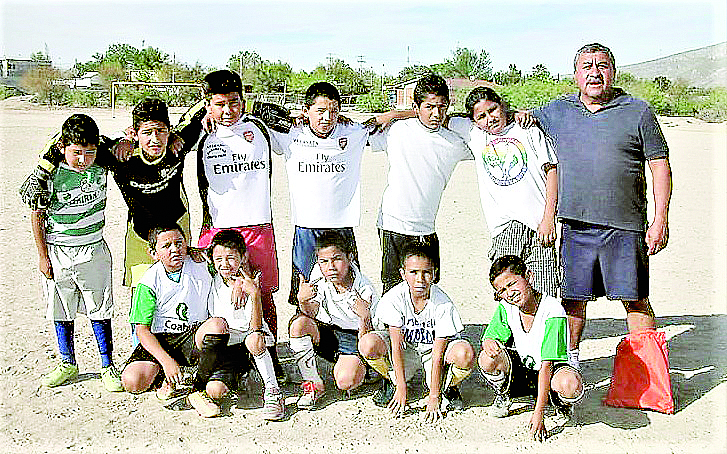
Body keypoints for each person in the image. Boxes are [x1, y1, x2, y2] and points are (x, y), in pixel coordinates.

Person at [531, 43, 672, 370]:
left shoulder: (638, 111)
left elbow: (660, 165)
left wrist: (660, 218)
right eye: (587, 66)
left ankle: (646, 372)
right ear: (575, 74)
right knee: (573, 301)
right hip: (575, 227)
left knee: (636, 300)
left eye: (602, 65)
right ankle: (570, 364)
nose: (595, 73)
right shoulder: (557, 111)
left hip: (625, 226)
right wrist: (403, 114)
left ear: (613, 71)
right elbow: (504, 117)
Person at [181, 69, 283, 376]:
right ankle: (212, 358)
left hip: (258, 227)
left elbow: (299, 125)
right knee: (210, 293)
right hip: (216, 229)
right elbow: (170, 138)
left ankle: (271, 357)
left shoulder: (260, 126)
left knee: (261, 294)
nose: (228, 111)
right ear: (207, 103)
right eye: (220, 104)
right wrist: (199, 113)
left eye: (235, 102)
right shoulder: (200, 131)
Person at [268, 82, 401, 305]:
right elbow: (253, 113)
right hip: (306, 229)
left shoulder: (353, 132)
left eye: (333, 111)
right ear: (306, 110)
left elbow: (391, 118)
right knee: (305, 292)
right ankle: (306, 334)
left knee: (348, 291)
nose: (327, 118)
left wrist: (400, 112)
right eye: (320, 111)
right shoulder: (291, 133)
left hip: (341, 227)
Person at [24, 114, 123, 392]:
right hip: (58, 249)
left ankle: (107, 366)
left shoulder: (103, 164)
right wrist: (42, 256)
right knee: (61, 308)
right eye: (76, 152)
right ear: (63, 147)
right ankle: (67, 362)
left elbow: (121, 148)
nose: (83, 159)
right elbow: (37, 215)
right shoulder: (49, 172)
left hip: (94, 248)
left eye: (89, 152)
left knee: (100, 308)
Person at [447, 87, 559, 298]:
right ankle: (512, 332)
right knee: (508, 292)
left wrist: (548, 218)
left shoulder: (527, 130)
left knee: (545, 291)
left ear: (502, 105)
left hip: (538, 226)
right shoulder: (474, 135)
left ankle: (545, 331)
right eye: (481, 116)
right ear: (473, 120)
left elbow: (551, 169)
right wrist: (393, 114)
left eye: (493, 109)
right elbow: (436, 116)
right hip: (504, 229)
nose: (489, 118)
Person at [368, 74, 472, 293]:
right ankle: (392, 329)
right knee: (393, 288)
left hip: (426, 228)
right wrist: (396, 115)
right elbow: (355, 133)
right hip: (392, 224)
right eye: (429, 106)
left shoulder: (455, 142)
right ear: (416, 106)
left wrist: (398, 112)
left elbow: (484, 127)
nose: (436, 113)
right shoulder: (396, 130)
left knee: (427, 288)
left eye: (442, 106)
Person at [121, 224, 231, 418]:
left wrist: (238, 284)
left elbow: (230, 268)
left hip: (193, 335)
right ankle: (170, 376)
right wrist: (166, 362)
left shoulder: (203, 262)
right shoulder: (148, 281)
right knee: (132, 382)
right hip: (163, 340)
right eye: (166, 246)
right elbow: (142, 330)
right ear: (153, 253)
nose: (175, 249)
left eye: (179, 243)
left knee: (217, 325)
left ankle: (197, 388)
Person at [359, 244, 474, 423]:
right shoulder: (394, 298)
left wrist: (434, 396)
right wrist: (401, 387)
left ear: (434, 274)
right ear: (402, 273)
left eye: (426, 272)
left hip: (433, 352)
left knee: (464, 353)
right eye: (413, 272)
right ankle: (392, 380)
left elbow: (437, 354)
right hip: (407, 349)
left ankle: (448, 386)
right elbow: (396, 345)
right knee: (367, 344)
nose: (420, 279)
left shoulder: (442, 303)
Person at [479, 255, 583, 442]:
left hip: (552, 370)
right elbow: (492, 335)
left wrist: (539, 414)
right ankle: (505, 392)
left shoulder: (552, 309)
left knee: (570, 384)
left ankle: (561, 403)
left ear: (529, 276)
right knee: (486, 358)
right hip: (526, 368)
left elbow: (547, 365)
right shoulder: (506, 307)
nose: (509, 293)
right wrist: (488, 341)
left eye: (512, 284)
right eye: (502, 290)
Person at [288, 230, 378, 409]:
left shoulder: (365, 289)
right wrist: (302, 300)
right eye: (324, 261)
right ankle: (313, 386)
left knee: (346, 382)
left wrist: (364, 317)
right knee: (298, 324)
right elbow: (310, 314)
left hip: (355, 337)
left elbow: (367, 339)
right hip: (328, 331)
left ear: (350, 257)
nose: (331, 267)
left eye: (337, 259)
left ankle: (368, 370)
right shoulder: (318, 273)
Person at [206, 229, 285, 420]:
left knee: (254, 339)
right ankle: (241, 377)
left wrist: (255, 295)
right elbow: (197, 255)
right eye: (219, 259)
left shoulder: (249, 284)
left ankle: (273, 392)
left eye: (231, 258)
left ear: (243, 257)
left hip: (252, 342)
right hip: (227, 347)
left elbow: (256, 327)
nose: (224, 264)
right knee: (214, 391)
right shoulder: (212, 276)